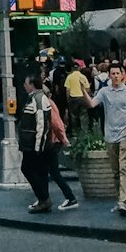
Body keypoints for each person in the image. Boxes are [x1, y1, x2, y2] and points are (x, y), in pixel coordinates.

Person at [84, 62, 126, 216]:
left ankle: (122, 201)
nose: (116, 76)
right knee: (116, 170)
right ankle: (122, 199)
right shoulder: (104, 91)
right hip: (110, 135)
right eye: (113, 74)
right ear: (109, 76)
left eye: (118, 73)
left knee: (124, 167)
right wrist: (84, 91)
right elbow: (91, 104)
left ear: (122, 74)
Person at [18, 72, 53, 213]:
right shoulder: (35, 98)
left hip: (34, 144)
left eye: (26, 84)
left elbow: (42, 124)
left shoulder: (38, 99)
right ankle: (43, 199)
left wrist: (38, 146)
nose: (24, 86)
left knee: (27, 168)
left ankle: (44, 198)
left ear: (32, 85)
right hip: (34, 143)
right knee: (40, 172)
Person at [41, 82, 78, 211]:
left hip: (52, 141)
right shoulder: (50, 103)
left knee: (53, 172)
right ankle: (43, 198)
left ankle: (70, 198)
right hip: (53, 140)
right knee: (47, 170)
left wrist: (63, 139)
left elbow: (56, 124)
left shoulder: (47, 104)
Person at [64, 62, 91, 135]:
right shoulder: (83, 77)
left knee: (73, 116)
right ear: (79, 68)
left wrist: (68, 100)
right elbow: (87, 89)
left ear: (72, 69)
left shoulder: (69, 77)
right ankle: (84, 132)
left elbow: (67, 90)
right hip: (82, 98)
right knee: (83, 115)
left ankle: (75, 132)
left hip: (73, 98)